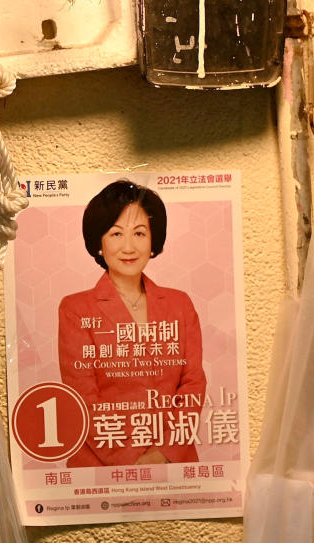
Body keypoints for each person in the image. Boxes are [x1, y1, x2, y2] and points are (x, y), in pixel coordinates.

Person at [58, 180, 206, 467]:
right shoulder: (75, 309)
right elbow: (82, 396)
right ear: (99, 243)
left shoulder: (180, 304)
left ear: (153, 241)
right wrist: (130, 461)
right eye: (116, 233)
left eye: (139, 233)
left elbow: (193, 384)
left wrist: (163, 453)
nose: (128, 247)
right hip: (101, 463)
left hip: (173, 461)